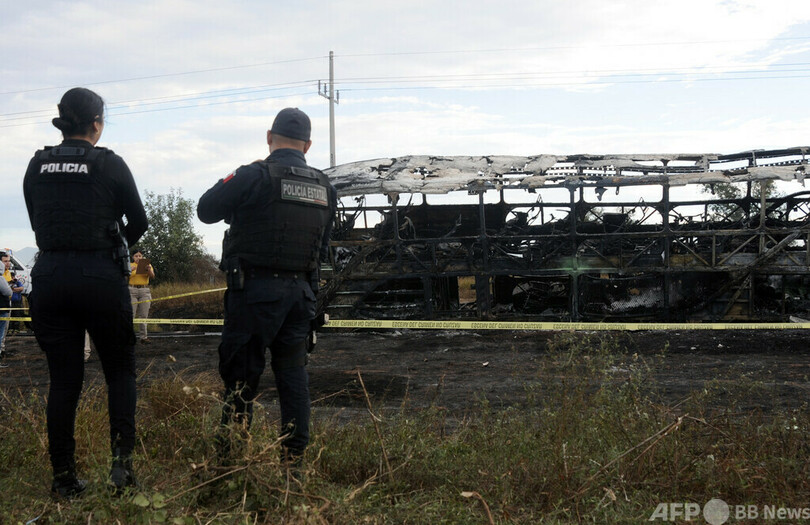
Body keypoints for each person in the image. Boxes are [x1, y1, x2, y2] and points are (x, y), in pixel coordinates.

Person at [23, 87, 148, 498]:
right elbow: (139, 220)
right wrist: (113, 243)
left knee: (63, 381)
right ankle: (121, 472)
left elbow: (37, 221)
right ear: (97, 124)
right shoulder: (109, 163)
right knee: (120, 372)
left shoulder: (36, 164)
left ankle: (63, 478)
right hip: (100, 276)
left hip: (50, 274)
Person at [197, 108, 336, 470]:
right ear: (308, 145)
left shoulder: (254, 175)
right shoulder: (325, 187)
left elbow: (206, 209)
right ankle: (294, 466)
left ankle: (231, 463)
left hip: (255, 294)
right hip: (301, 296)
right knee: (293, 377)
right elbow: (322, 250)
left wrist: (241, 178)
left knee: (241, 381)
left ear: (269, 137)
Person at [128, 250, 155, 343]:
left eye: (140, 256)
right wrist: (130, 271)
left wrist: (149, 270)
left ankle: (143, 337)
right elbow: (123, 277)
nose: (138, 257)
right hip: (132, 290)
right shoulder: (129, 265)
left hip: (144, 290)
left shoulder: (147, 265)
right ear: (133, 257)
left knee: (143, 315)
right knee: (130, 315)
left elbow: (152, 276)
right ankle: (129, 337)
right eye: (136, 256)